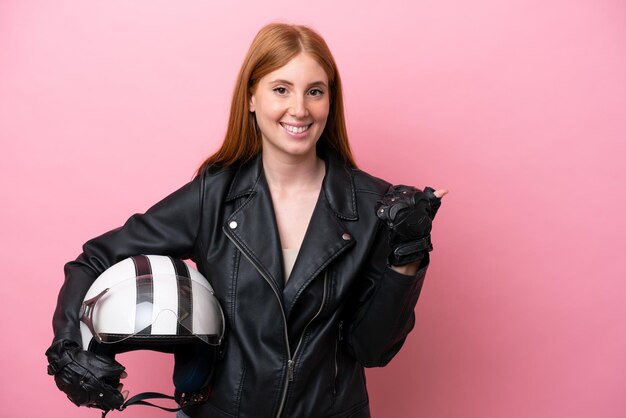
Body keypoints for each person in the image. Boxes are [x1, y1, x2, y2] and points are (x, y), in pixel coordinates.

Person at [46, 22, 448, 418]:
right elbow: (94, 259)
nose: (300, 109)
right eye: (281, 89)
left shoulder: (380, 204)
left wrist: (406, 261)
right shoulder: (213, 197)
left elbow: (372, 350)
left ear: (330, 101)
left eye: (315, 92)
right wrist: (68, 348)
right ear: (252, 98)